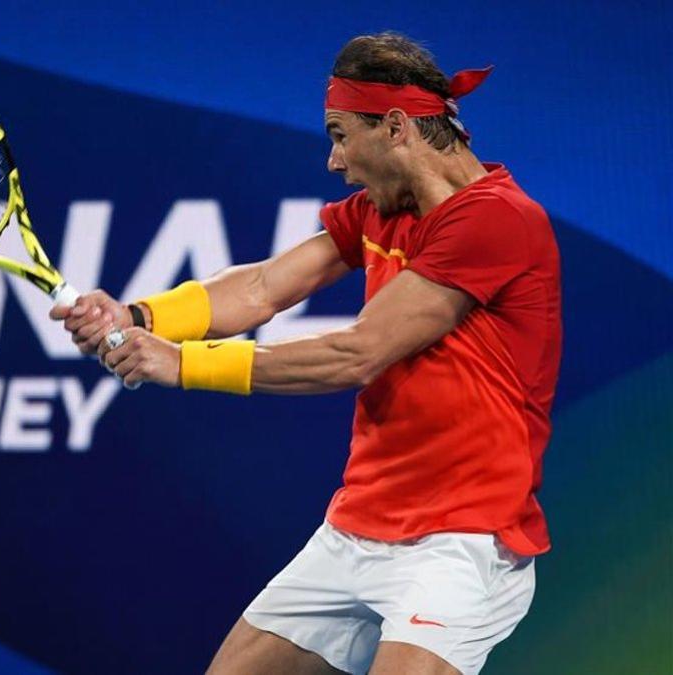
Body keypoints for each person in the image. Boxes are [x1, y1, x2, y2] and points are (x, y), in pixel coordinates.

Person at [50, 32, 561, 675]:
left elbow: (357, 353)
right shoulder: (381, 211)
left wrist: (181, 363)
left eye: (341, 134)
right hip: (356, 528)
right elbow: (264, 286)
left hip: (462, 542)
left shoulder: (497, 219)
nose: (334, 160)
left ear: (397, 128)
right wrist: (140, 316)